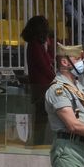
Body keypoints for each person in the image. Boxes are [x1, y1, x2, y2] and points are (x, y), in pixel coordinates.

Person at [22, 16, 55, 145]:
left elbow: (48, 62)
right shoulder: (34, 45)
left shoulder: (38, 44)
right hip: (41, 87)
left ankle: (40, 141)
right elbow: (44, 66)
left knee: (42, 118)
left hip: (42, 86)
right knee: (41, 118)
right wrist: (55, 78)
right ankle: (39, 142)